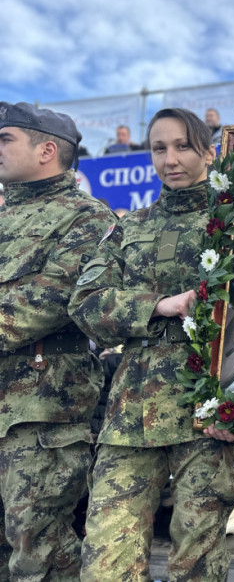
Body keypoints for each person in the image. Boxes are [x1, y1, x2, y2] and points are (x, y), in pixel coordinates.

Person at [69, 108, 234, 581]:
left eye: (183, 146)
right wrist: (158, 305)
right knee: (106, 558)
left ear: (209, 153)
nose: (170, 159)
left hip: (209, 411)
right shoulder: (130, 226)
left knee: (196, 564)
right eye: (159, 148)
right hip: (134, 411)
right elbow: (85, 303)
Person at [0, 101, 116, 579]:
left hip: (40, 409)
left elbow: (44, 303)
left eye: (5, 139)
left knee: (37, 547)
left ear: (47, 150)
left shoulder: (86, 218)